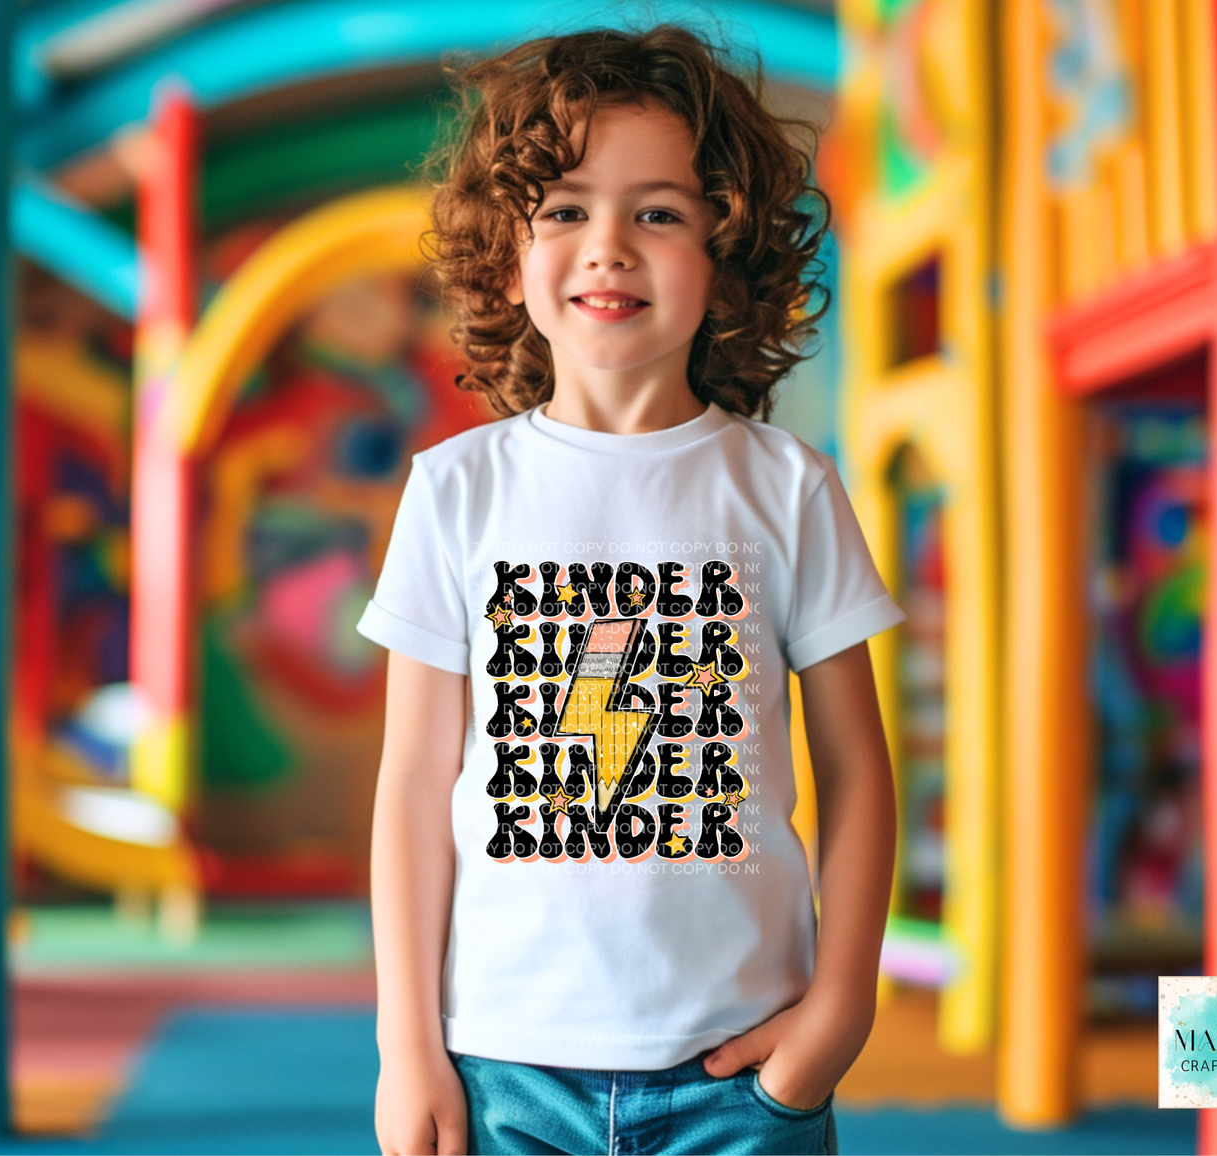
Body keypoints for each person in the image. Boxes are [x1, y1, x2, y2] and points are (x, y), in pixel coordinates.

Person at [364, 25, 904, 1156]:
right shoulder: (452, 491)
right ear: (509, 253)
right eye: (564, 210)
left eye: (655, 212)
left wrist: (838, 1011)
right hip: (502, 1066)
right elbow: (414, 786)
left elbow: (856, 770)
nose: (606, 245)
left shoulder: (785, 488)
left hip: (741, 1071)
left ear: (726, 250)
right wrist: (406, 1044)